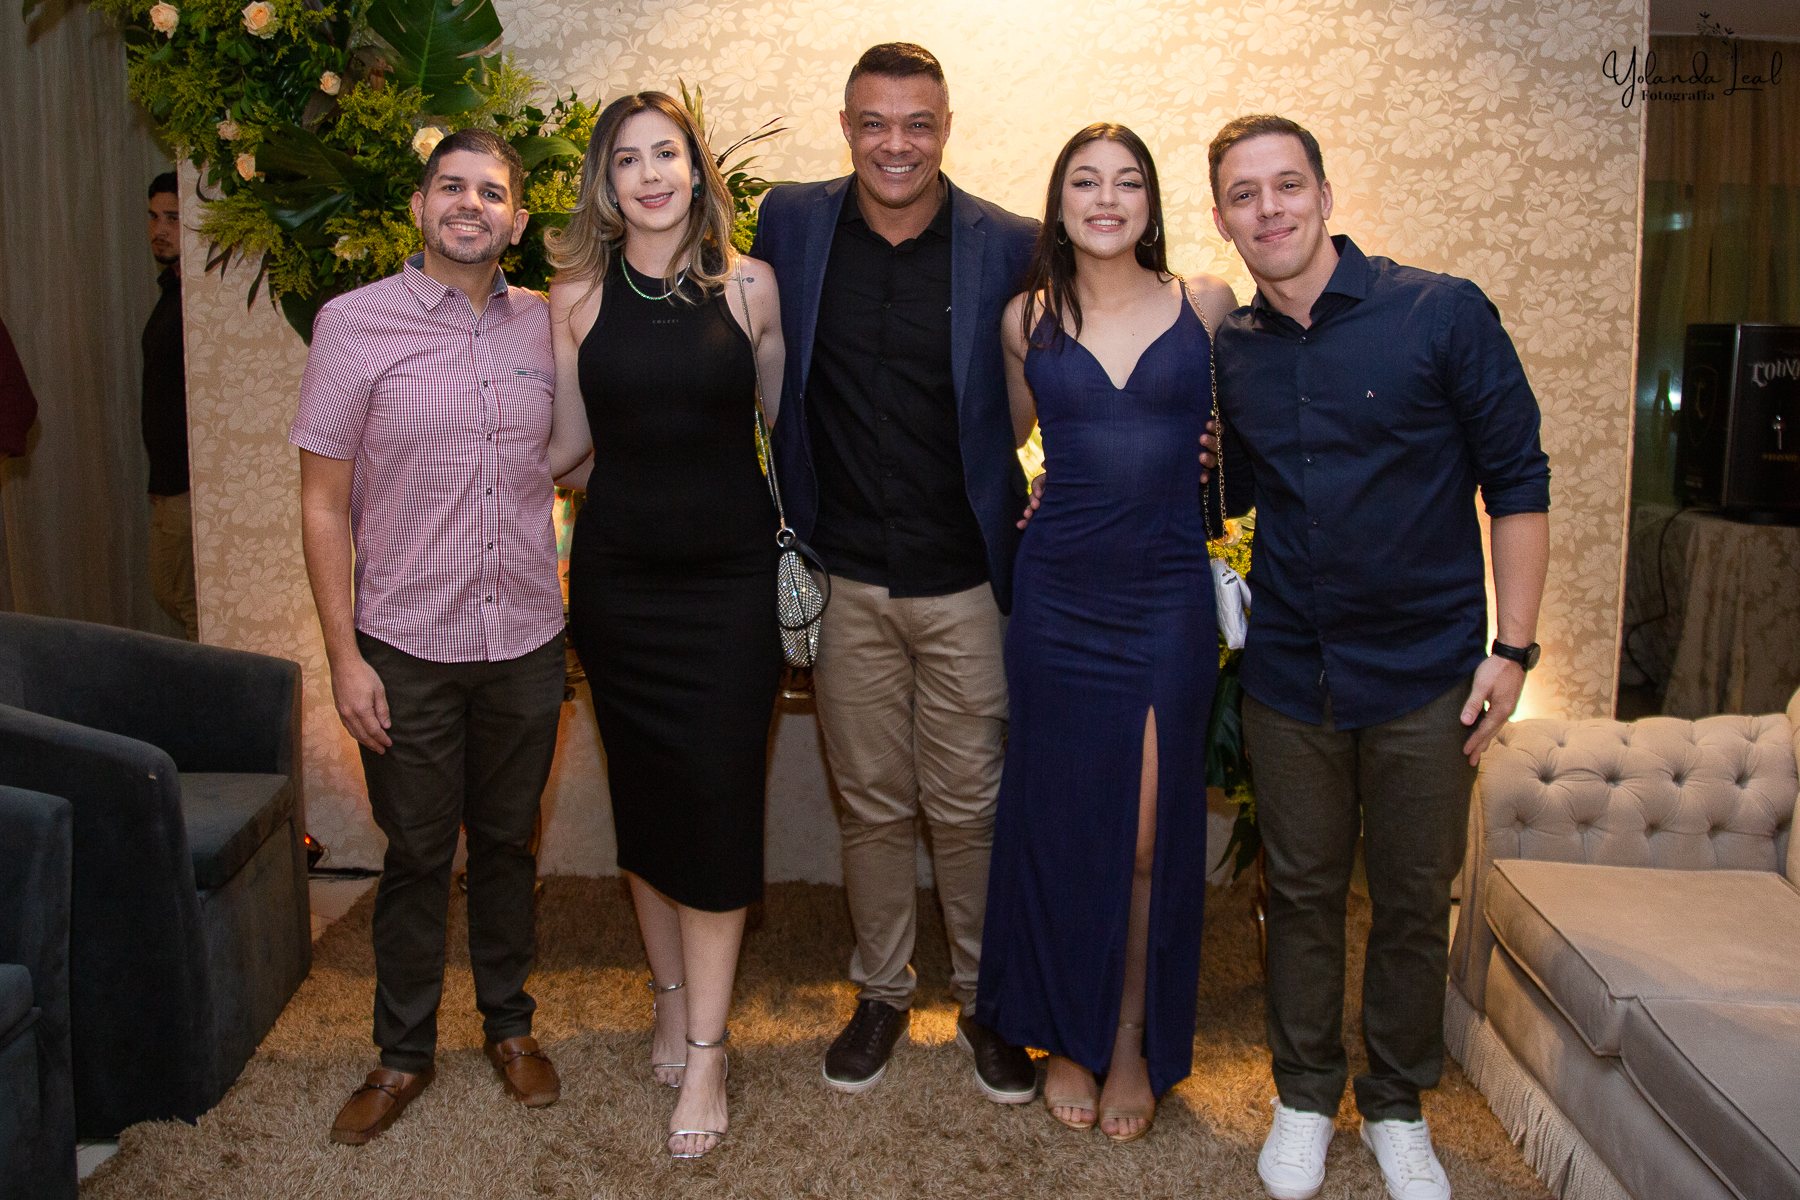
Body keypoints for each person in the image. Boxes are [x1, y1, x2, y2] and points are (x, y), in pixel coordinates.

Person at [1206, 115, 1550, 1200]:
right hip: (1289, 676)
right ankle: (1306, 1095)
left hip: (1425, 678)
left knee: (1409, 900)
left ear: (1325, 194)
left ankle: (1398, 1104)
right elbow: (1235, 495)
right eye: (1245, 195)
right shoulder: (1232, 352)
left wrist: (1513, 651)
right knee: (1301, 896)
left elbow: (1519, 482)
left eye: (1286, 185)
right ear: (1223, 220)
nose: (1269, 209)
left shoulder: (1440, 312)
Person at [749, 42, 1040, 1103]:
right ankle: (880, 993)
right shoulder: (791, 222)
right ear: (846, 127)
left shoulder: (1011, 242)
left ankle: (986, 1001)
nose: (896, 144)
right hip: (846, 577)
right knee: (870, 804)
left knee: (969, 806)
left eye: (917, 123)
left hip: (965, 577)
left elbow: (1059, 372)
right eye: (874, 123)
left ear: (947, 126)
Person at [293, 128, 568, 1146]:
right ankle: (402, 1053)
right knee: (415, 853)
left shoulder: (546, 325)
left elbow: (578, 454)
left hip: (526, 638)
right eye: (451, 186)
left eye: (490, 193)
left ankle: (510, 1027)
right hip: (404, 644)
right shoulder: (352, 325)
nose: (469, 205)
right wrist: (343, 657)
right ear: (418, 207)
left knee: (507, 842)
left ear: (516, 220)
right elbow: (323, 503)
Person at [975, 123, 1236, 1144]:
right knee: (1061, 823)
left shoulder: (1206, 304)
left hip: (1166, 594)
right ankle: (1067, 1037)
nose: (1107, 198)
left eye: (1128, 182)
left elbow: (1249, 428)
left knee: (1143, 839)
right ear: (1059, 203)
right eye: (1085, 181)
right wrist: (1047, 491)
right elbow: (1013, 441)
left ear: (1151, 203)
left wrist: (1213, 452)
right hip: (1059, 597)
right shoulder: (1025, 318)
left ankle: (1131, 1037)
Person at [541, 91, 786, 1161]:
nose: (650, 175)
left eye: (667, 154)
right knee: (646, 806)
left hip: (731, 589)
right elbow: (566, 449)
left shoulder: (751, 287)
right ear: (606, 182)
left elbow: (784, 433)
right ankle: (671, 997)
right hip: (620, 588)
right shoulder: (575, 297)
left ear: (697, 171)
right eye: (628, 159)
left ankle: (709, 1052)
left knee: (718, 805)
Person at [142, 173, 198, 640]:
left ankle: (209, 682)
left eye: (173, 218)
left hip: (187, 480)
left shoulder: (196, 302)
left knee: (186, 599)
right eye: (154, 217)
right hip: (169, 480)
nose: (159, 230)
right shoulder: (171, 293)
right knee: (174, 594)